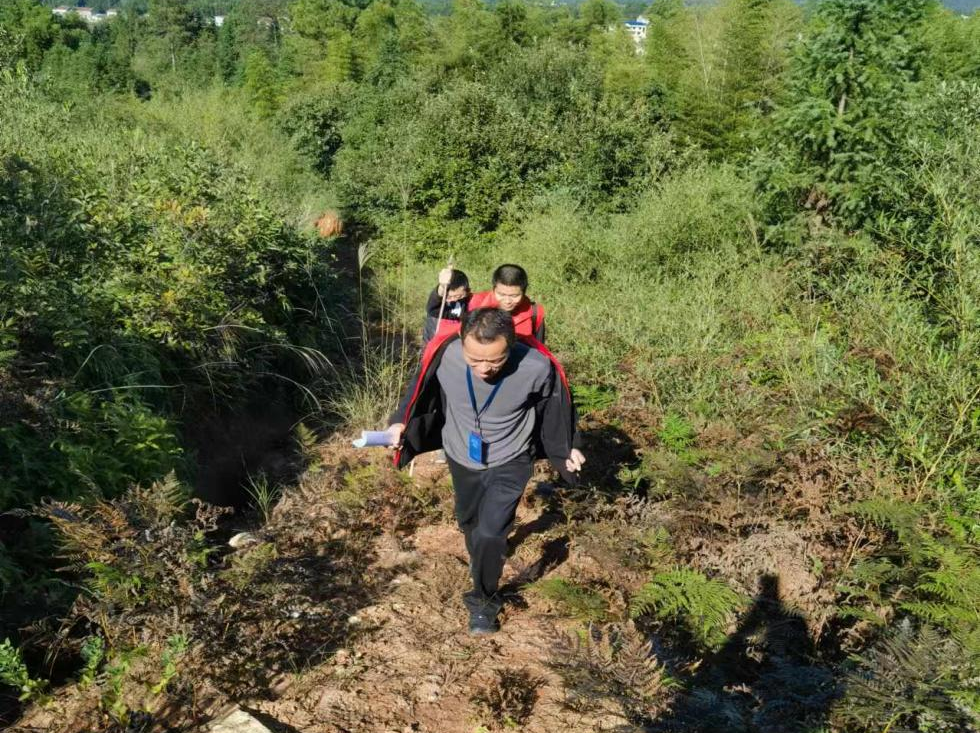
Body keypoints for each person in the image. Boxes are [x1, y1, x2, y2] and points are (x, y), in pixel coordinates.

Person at [387, 308, 585, 635]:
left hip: (512, 458)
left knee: (492, 532)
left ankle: (483, 600)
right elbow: (419, 391)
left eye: (495, 360)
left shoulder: (536, 367)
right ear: (461, 342)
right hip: (460, 453)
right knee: (470, 523)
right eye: (475, 360)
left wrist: (569, 447)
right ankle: (483, 555)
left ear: (512, 344)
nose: (484, 369)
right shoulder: (446, 355)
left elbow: (559, 409)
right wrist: (399, 422)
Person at [469, 264, 546, 343]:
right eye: (501, 294)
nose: (507, 301)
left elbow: (538, 346)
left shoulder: (535, 312)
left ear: (524, 292)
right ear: (494, 289)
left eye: (514, 296)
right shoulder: (476, 303)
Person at [422, 268, 471, 345]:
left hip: (455, 342)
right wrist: (442, 287)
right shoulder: (438, 305)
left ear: (467, 292)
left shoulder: (467, 300)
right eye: (449, 297)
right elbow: (432, 306)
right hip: (434, 343)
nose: (453, 299)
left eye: (458, 296)